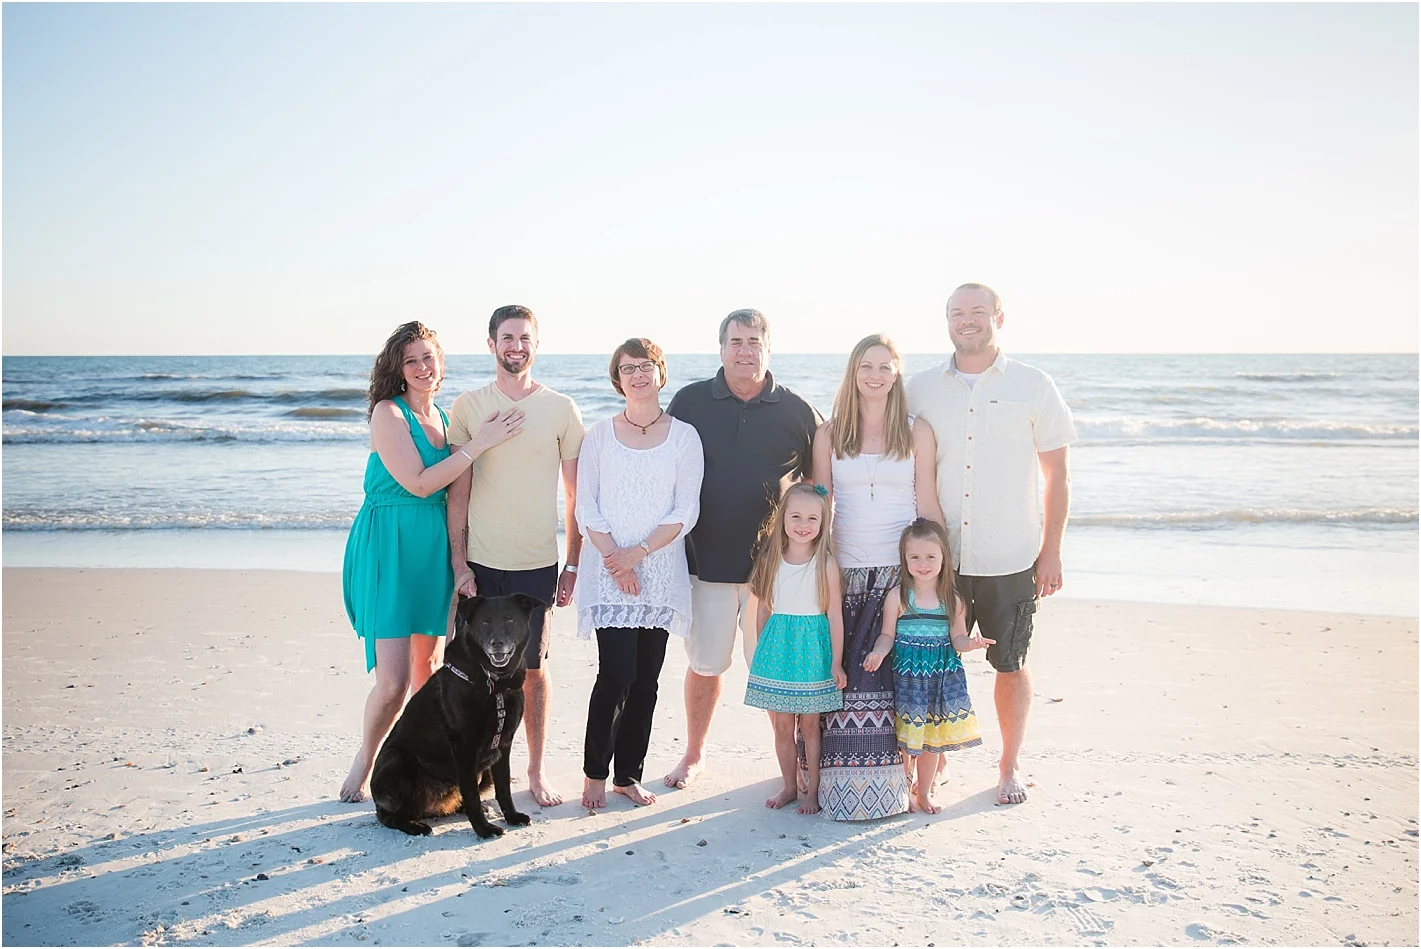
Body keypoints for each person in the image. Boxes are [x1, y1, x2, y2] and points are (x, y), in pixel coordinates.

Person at [339, 321, 524, 803]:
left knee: (430, 669)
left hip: (434, 550)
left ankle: (425, 761)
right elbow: (420, 483)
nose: (423, 367)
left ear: (441, 362)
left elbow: (459, 488)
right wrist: (480, 443)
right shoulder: (388, 413)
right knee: (394, 682)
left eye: (429, 357)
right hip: (390, 547)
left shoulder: (444, 417)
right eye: (411, 360)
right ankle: (366, 761)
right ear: (398, 369)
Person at [907, 283, 1077, 806]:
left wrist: (1051, 550)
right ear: (946, 321)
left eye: (978, 311)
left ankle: (1009, 766)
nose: (967, 320)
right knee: (933, 663)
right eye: (957, 312)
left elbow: (1057, 476)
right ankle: (935, 764)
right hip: (939, 561)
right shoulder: (919, 388)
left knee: (1010, 663)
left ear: (998, 318)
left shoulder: (1033, 385)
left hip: (1010, 556)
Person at [661, 309, 820, 790]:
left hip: (774, 571)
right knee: (705, 664)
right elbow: (663, 468)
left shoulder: (797, 410)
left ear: (768, 348)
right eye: (736, 342)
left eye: (754, 342)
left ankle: (795, 763)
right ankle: (693, 754)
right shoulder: (690, 401)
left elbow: (818, 487)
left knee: (777, 671)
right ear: (721, 348)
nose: (745, 351)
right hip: (703, 562)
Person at [446, 304, 585, 808]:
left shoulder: (561, 409)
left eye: (525, 338)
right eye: (507, 337)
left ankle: (535, 770)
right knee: (471, 670)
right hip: (482, 561)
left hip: (536, 563)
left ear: (536, 344)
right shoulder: (468, 406)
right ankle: (470, 769)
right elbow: (458, 494)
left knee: (531, 672)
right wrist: (459, 564)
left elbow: (575, 497)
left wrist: (573, 564)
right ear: (491, 344)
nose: (516, 346)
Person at [807, 333, 948, 820]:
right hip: (846, 572)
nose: (875, 375)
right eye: (867, 366)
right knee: (847, 678)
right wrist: (814, 566)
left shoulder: (916, 432)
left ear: (897, 373)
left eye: (885, 366)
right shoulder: (829, 434)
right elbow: (821, 505)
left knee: (901, 678)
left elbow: (927, 504)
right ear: (853, 371)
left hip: (900, 573)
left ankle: (908, 777)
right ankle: (834, 777)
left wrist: (939, 574)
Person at [574, 338, 705, 810]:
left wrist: (639, 554)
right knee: (615, 674)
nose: (638, 374)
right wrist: (617, 560)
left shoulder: (684, 437)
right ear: (617, 379)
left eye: (646, 365)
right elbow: (586, 506)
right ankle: (594, 774)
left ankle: (627, 776)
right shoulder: (599, 435)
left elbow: (685, 509)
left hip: (660, 571)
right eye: (627, 368)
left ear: (660, 373)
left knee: (646, 680)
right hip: (608, 570)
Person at [863, 518, 989, 814]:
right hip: (908, 679)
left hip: (940, 679)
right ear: (904, 559)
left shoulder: (952, 600)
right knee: (906, 739)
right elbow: (887, 635)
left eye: (931, 557)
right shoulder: (898, 597)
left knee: (933, 740)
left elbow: (958, 639)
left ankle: (923, 793)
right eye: (915, 557)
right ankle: (903, 791)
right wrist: (878, 652)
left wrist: (971, 644)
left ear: (944, 558)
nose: (923, 564)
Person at [744, 483, 846, 814]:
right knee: (782, 726)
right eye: (796, 516)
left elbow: (835, 616)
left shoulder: (825, 564)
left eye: (812, 518)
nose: (804, 524)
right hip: (778, 650)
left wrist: (837, 662)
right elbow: (763, 608)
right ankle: (789, 786)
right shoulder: (771, 558)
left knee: (810, 727)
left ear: (823, 522)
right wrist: (761, 652)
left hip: (813, 650)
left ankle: (813, 792)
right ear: (782, 518)